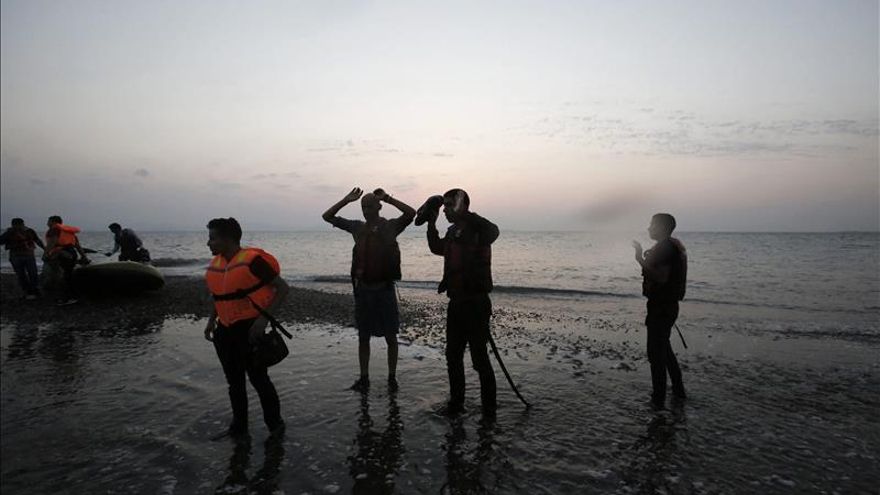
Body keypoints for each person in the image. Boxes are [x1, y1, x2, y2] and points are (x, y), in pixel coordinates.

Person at [322, 187, 415, 392]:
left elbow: (411, 213)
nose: (366, 210)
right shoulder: (357, 228)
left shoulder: (390, 227)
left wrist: (388, 198)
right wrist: (346, 200)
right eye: (363, 207)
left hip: (385, 291)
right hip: (364, 291)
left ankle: (392, 378)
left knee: (391, 336)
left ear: (378, 207)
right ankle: (364, 378)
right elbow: (327, 216)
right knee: (363, 336)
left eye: (370, 206)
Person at [203, 217, 290, 436]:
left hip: (250, 330)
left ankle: (275, 426)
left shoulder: (253, 261)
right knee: (234, 383)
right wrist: (211, 320)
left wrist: (262, 320)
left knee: (259, 379)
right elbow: (220, 296)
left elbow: (282, 288)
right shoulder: (217, 264)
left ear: (228, 239)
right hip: (224, 330)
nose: (208, 243)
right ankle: (239, 427)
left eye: (212, 238)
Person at [426, 188, 499, 416]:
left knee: (479, 359)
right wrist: (431, 223)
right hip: (456, 303)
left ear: (462, 206)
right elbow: (436, 248)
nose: (445, 210)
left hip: (476, 304)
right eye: (444, 206)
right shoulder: (452, 232)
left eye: (450, 205)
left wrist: (466, 214)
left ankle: (489, 411)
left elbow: (494, 231)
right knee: (453, 356)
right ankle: (456, 405)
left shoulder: (479, 230)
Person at [632, 213, 688, 410]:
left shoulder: (665, 248)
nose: (649, 228)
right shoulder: (671, 246)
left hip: (662, 308)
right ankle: (679, 392)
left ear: (662, 228)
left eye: (652, 225)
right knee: (665, 350)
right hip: (667, 306)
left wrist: (639, 258)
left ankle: (658, 402)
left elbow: (661, 277)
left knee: (656, 354)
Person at [44, 215, 90, 305]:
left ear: (54, 222)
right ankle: (73, 296)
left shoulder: (54, 230)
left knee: (62, 276)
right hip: (72, 253)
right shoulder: (68, 231)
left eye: (48, 221)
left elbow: (52, 243)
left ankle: (66, 298)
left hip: (61, 254)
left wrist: (46, 254)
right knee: (68, 275)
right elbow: (78, 245)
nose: (47, 223)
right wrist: (84, 257)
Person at [0, 218, 46, 299]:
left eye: (19, 225)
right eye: (16, 225)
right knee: (22, 275)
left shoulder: (29, 231)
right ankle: (28, 291)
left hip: (26, 256)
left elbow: (37, 240)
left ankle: (34, 290)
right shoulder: (9, 233)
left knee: (32, 274)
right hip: (17, 256)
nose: (18, 227)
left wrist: (45, 249)